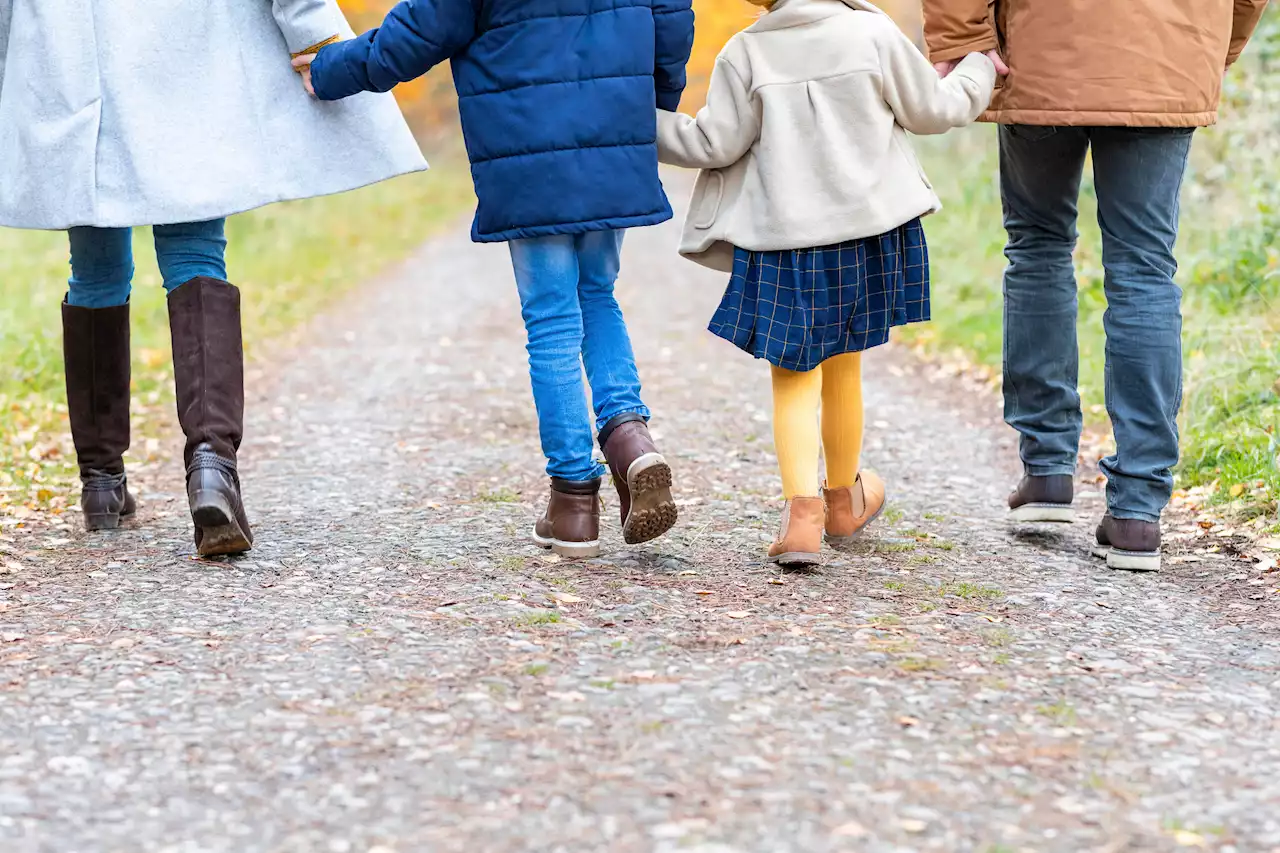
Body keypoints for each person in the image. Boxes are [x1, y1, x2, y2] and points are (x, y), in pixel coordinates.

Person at [0, 0, 426, 555]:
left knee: (96, 270)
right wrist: (317, 42)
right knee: (195, 255)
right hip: (183, 71)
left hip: (72, 70)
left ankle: (101, 484)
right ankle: (211, 468)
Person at [294, 0, 696, 559]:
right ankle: (630, 437)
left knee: (553, 318)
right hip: (613, 133)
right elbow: (672, 25)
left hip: (526, 150)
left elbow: (418, 31)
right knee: (597, 296)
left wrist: (329, 68)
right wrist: (642, 112)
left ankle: (575, 502)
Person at [923, 0, 1271, 572]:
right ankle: (1138, 508)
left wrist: (963, 38)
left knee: (1037, 246)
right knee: (1144, 269)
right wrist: (1209, 46)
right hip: (1168, 48)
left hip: (1040, 47)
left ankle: (1047, 473)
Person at [654, 0, 997, 565]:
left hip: (785, 240)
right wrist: (980, 63)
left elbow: (711, 144)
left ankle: (803, 517)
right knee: (845, 361)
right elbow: (936, 109)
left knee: (793, 375)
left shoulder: (747, 50)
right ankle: (845, 501)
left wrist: (633, 116)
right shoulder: (872, 32)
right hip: (866, 234)